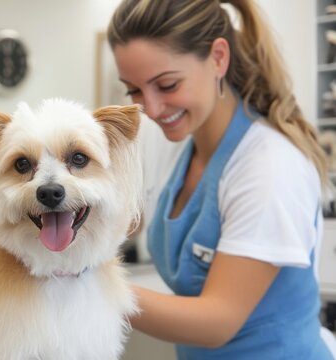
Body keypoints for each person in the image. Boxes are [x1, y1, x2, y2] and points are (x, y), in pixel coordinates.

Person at [107, 0, 336, 358]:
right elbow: (120, 219)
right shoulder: (174, 139)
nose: (150, 110)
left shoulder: (270, 167)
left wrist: (92, 287)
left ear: (218, 58)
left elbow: (217, 321)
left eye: (166, 85)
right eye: (133, 90)